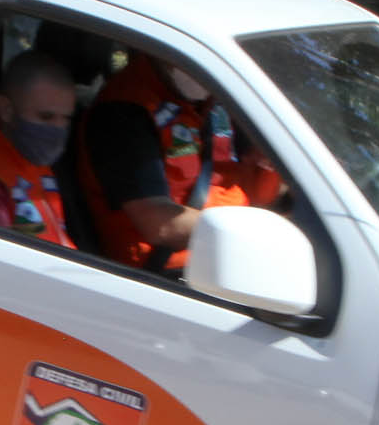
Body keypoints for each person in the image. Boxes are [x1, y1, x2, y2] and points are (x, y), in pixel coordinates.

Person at [77, 49, 277, 271]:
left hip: (231, 248)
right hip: (175, 274)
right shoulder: (124, 113)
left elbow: (252, 189)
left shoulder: (211, 97)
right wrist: (252, 235)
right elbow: (161, 225)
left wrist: (268, 166)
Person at [0, 49, 80, 246]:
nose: (57, 129)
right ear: (7, 110)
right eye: (46, 117)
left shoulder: (31, 155)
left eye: (66, 118)